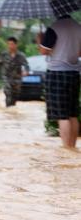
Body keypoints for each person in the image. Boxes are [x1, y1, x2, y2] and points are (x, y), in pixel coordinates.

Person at [39, 15, 81, 148]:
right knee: (72, 113)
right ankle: (73, 147)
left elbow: (44, 51)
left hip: (57, 72)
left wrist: (40, 39)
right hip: (74, 73)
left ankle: (66, 149)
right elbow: (79, 53)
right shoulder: (78, 27)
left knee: (62, 115)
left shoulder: (55, 27)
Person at [0, 36, 29, 107]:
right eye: (8, 44)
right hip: (6, 77)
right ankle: (8, 109)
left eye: (12, 44)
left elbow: (26, 65)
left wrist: (26, 71)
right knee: (8, 92)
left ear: (16, 45)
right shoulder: (4, 54)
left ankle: (11, 110)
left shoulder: (21, 55)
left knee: (15, 96)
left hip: (17, 78)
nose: (10, 46)